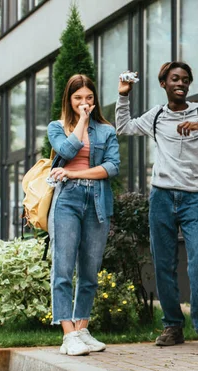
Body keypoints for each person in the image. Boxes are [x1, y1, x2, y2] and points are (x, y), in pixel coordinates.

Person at [115, 61, 198, 350]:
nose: (180, 83)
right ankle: (172, 326)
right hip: (160, 197)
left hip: (193, 198)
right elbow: (124, 126)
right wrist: (123, 94)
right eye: (174, 79)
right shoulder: (157, 115)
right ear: (164, 84)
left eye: (185, 79)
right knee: (163, 264)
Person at [47, 74, 121, 356]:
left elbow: (112, 167)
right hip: (67, 200)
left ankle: (82, 328)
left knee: (90, 271)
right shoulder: (57, 126)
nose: (84, 103)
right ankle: (68, 335)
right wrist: (80, 121)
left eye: (89, 98)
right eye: (78, 98)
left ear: (95, 99)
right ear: (69, 99)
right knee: (63, 268)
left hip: (97, 200)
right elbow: (66, 150)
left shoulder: (106, 130)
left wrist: (73, 172)